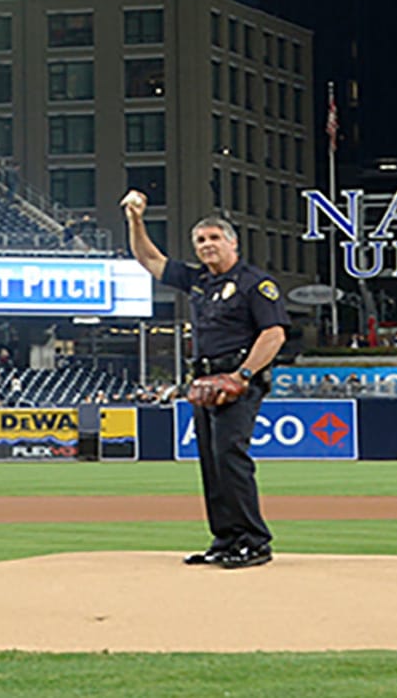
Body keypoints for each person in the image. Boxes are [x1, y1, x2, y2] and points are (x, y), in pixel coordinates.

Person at [121, 190, 287, 570]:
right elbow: (148, 258)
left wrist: (243, 375)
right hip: (205, 381)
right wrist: (135, 219)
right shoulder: (198, 280)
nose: (207, 245)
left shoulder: (254, 283)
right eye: (200, 240)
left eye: (214, 238)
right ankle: (226, 539)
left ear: (233, 243)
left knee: (230, 456)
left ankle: (254, 541)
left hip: (238, 379)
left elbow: (274, 334)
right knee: (212, 462)